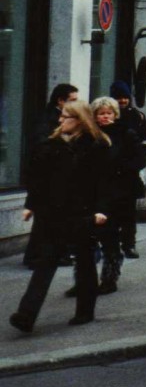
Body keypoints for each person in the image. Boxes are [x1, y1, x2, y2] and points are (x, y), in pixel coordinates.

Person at [10, 100, 111, 333]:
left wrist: (101, 210)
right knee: (46, 263)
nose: (60, 120)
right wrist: (31, 204)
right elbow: (38, 179)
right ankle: (26, 315)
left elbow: (104, 183)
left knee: (85, 262)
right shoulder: (51, 145)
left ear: (79, 120)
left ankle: (85, 311)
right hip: (54, 215)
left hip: (82, 214)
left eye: (66, 116)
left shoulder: (96, 146)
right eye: (62, 116)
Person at [24, 83, 79, 269]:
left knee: (56, 218)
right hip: (46, 174)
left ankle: (57, 254)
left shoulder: (59, 117)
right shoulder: (48, 119)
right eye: (72, 100)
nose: (75, 104)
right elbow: (41, 146)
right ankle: (34, 257)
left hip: (57, 175)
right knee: (44, 219)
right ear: (60, 101)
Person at [91, 96, 141, 293]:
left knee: (110, 236)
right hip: (95, 192)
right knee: (88, 238)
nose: (105, 117)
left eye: (108, 113)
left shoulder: (125, 133)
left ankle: (109, 279)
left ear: (115, 114)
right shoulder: (91, 134)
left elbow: (139, 159)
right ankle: (83, 281)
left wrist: (121, 170)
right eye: (101, 113)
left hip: (119, 193)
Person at [108, 81, 146, 259]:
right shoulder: (107, 115)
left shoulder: (137, 117)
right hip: (110, 175)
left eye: (125, 97)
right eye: (119, 97)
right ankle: (111, 245)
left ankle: (128, 244)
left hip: (129, 174)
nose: (123, 100)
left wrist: (137, 163)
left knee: (128, 213)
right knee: (110, 212)